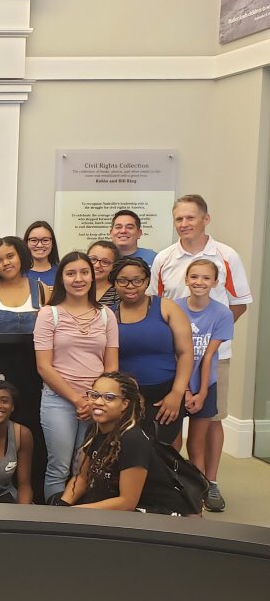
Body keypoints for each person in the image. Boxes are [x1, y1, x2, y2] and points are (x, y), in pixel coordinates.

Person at [148, 194, 252, 513]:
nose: (184, 224)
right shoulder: (164, 258)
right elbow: (156, 305)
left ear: (205, 219)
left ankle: (211, 482)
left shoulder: (226, 255)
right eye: (179, 218)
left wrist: (211, 336)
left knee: (210, 419)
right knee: (173, 420)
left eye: (190, 218)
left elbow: (239, 302)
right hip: (175, 358)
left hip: (215, 357)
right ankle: (179, 480)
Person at [35, 251, 119, 501]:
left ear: (93, 278)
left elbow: (111, 366)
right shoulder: (49, 314)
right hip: (58, 401)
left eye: (84, 272)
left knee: (84, 467)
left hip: (98, 403)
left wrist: (94, 400)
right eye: (71, 273)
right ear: (62, 279)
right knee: (59, 467)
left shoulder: (106, 315)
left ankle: (79, 520)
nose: (78, 279)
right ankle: (56, 523)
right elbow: (44, 367)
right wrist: (77, 400)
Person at [60, 372, 185, 514]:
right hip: (116, 506)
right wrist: (62, 506)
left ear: (124, 404)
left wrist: (74, 512)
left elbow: (127, 502)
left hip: (153, 514)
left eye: (109, 398)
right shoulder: (93, 429)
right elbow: (82, 478)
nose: (98, 402)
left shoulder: (133, 439)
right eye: (94, 395)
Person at [112, 257, 193, 448]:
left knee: (162, 452)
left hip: (165, 395)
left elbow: (186, 353)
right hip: (126, 398)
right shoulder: (109, 314)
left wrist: (177, 393)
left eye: (137, 280)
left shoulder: (167, 307)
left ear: (147, 281)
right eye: (123, 280)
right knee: (129, 452)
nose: (130, 286)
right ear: (114, 283)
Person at [176, 259, 235, 512]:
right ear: (186, 280)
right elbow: (177, 352)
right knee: (173, 442)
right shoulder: (174, 308)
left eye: (206, 278)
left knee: (196, 445)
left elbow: (209, 356)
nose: (199, 282)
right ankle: (173, 487)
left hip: (205, 384)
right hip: (177, 383)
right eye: (195, 277)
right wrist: (185, 390)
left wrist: (200, 392)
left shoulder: (222, 313)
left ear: (215, 283)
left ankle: (199, 492)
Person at [23, 220, 59, 288]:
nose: (39, 245)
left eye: (45, 240)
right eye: (34, 240)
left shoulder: (61, 272)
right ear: (26, 243)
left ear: (52, 243)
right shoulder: (18, 273)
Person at [88, 240, 121, 310]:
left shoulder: (117, 293)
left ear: (114, 266)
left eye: (105, 262)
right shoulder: (75, 288)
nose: (97, 265)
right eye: (93, 259)